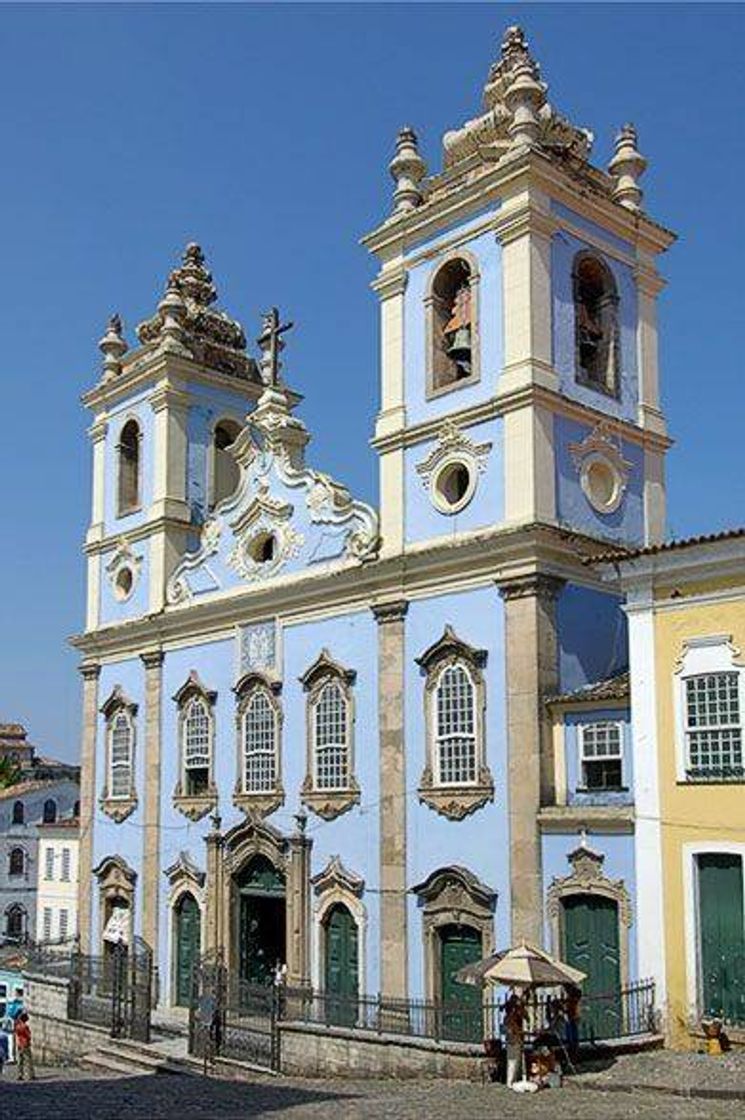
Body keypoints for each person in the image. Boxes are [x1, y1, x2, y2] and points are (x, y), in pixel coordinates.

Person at [503, 990, 527, 1088]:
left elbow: (526, 1017)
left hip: (515, 1040)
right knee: (512, 1062)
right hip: (513, 1040)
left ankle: (514, 1079)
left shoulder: (515, 1016)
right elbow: (513, 1030)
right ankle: (510, 1081)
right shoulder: (509, 1018)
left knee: (516, 1061)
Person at [14, 1011, 35, 1082]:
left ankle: (20, 1075)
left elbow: (16, 1033)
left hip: (19, 1044)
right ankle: (30, 1075)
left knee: (20, 1060)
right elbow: (28, 1036)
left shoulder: (18, 1026)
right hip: (25, 1044)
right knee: (28, 1060)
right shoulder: (25, 1027)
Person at [564, 985, 582, 1062]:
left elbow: (569, 1009)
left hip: (572, 1018)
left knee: (572, 1039)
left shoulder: (572, 1000)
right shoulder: (571, 1000)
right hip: (572, 1018)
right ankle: (574, 1056)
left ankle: (573, 1057)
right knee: (573, 1038)